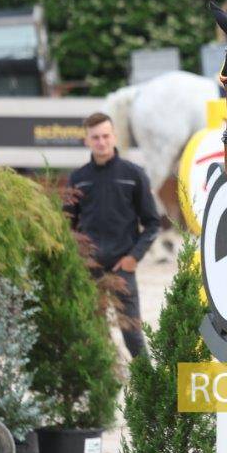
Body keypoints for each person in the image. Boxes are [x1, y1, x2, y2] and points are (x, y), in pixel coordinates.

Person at [64, 112, 160, 358]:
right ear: (87, 140)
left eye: (106, 136)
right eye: (95, 137)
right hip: (89, 270)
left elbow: (152, 224)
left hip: (122, 269)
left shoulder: (134, 175)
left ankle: (148, 379)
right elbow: (67, 225)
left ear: (114, 137)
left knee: (133, 336)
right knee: (94, 336)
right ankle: (105, 380)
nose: (101, 142)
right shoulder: (78, 178)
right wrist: (80, 258)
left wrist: (133, 258)